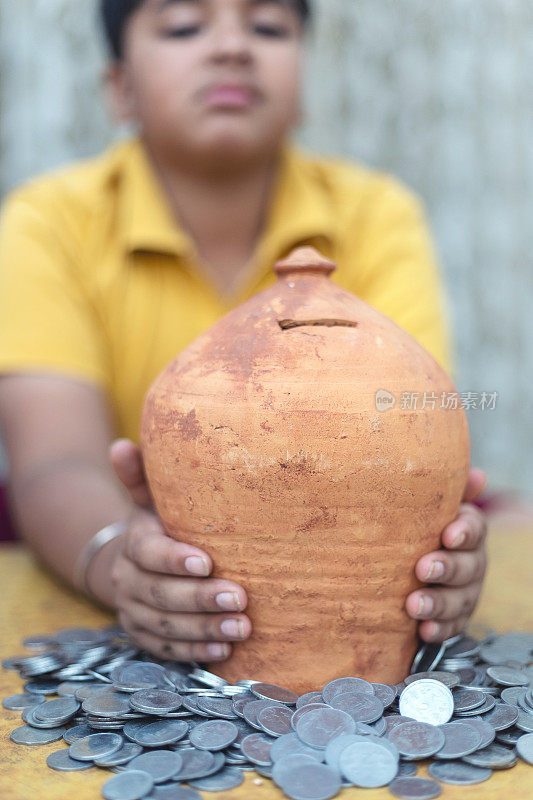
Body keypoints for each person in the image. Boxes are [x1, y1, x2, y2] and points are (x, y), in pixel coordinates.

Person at [0, 0, 487, 665]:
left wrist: (444, 549)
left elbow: (414, 426)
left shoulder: (376, 215)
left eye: (267, 27)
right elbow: (55, 460)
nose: (231, 47)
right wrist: (121, 563)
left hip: (348, 614)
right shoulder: (50, 222)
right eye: (182, 26)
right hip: (148, 571)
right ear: (119, 88)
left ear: (302, 85)